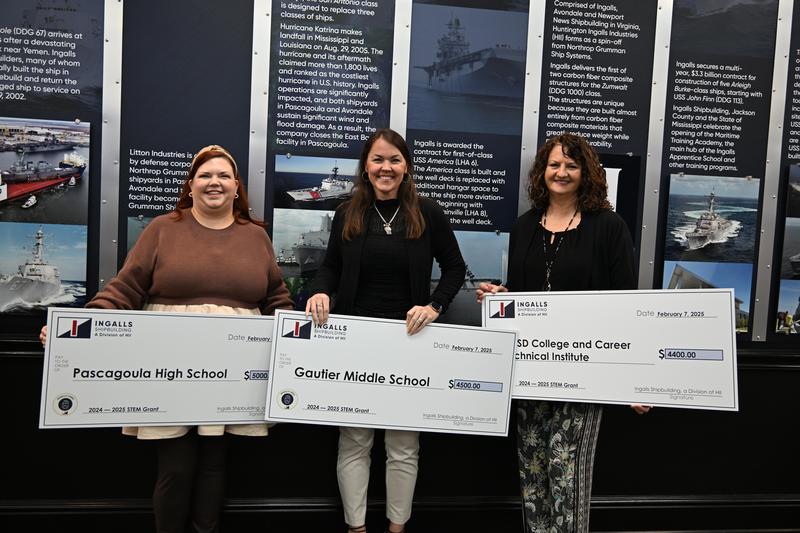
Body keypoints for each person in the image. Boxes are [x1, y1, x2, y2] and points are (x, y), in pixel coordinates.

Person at [41, 144, 293, 533]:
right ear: (190, 184)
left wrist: (299, 337)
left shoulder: (256, 237)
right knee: (175, 465)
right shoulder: (162, 228)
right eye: (205, 175)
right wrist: (72, 329)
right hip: (167, 363)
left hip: (236, 367)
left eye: (224, 176)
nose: (215, 182)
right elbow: (124, 289)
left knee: (214, 461)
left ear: (236, 186)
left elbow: (277, 298)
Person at [476, 133, 649, 533]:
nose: (562, 172)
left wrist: (637, 379)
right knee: (533, 474)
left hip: (585, 375)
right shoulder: (524, 227)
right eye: (555, 164)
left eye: (572, 165)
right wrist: (500, 296)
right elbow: (521, 295)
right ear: (543, 171)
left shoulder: (609, 226)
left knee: (566, 474)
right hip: (531, 374)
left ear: (587, 173)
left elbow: (627, 304)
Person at [305, 128, 466, 533]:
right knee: (354, 441)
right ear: (366, 166)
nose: (385, 168)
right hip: (356, 339)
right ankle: (356, 528)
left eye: (394, 159)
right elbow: (330, 267)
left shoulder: (427, 212)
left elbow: (454, 268)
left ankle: (397, 528)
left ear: (406, 165)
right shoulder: (348, 212)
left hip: (407, 342)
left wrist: (434, 306)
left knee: (402, 445)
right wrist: (321, 291)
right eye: (377, 160)